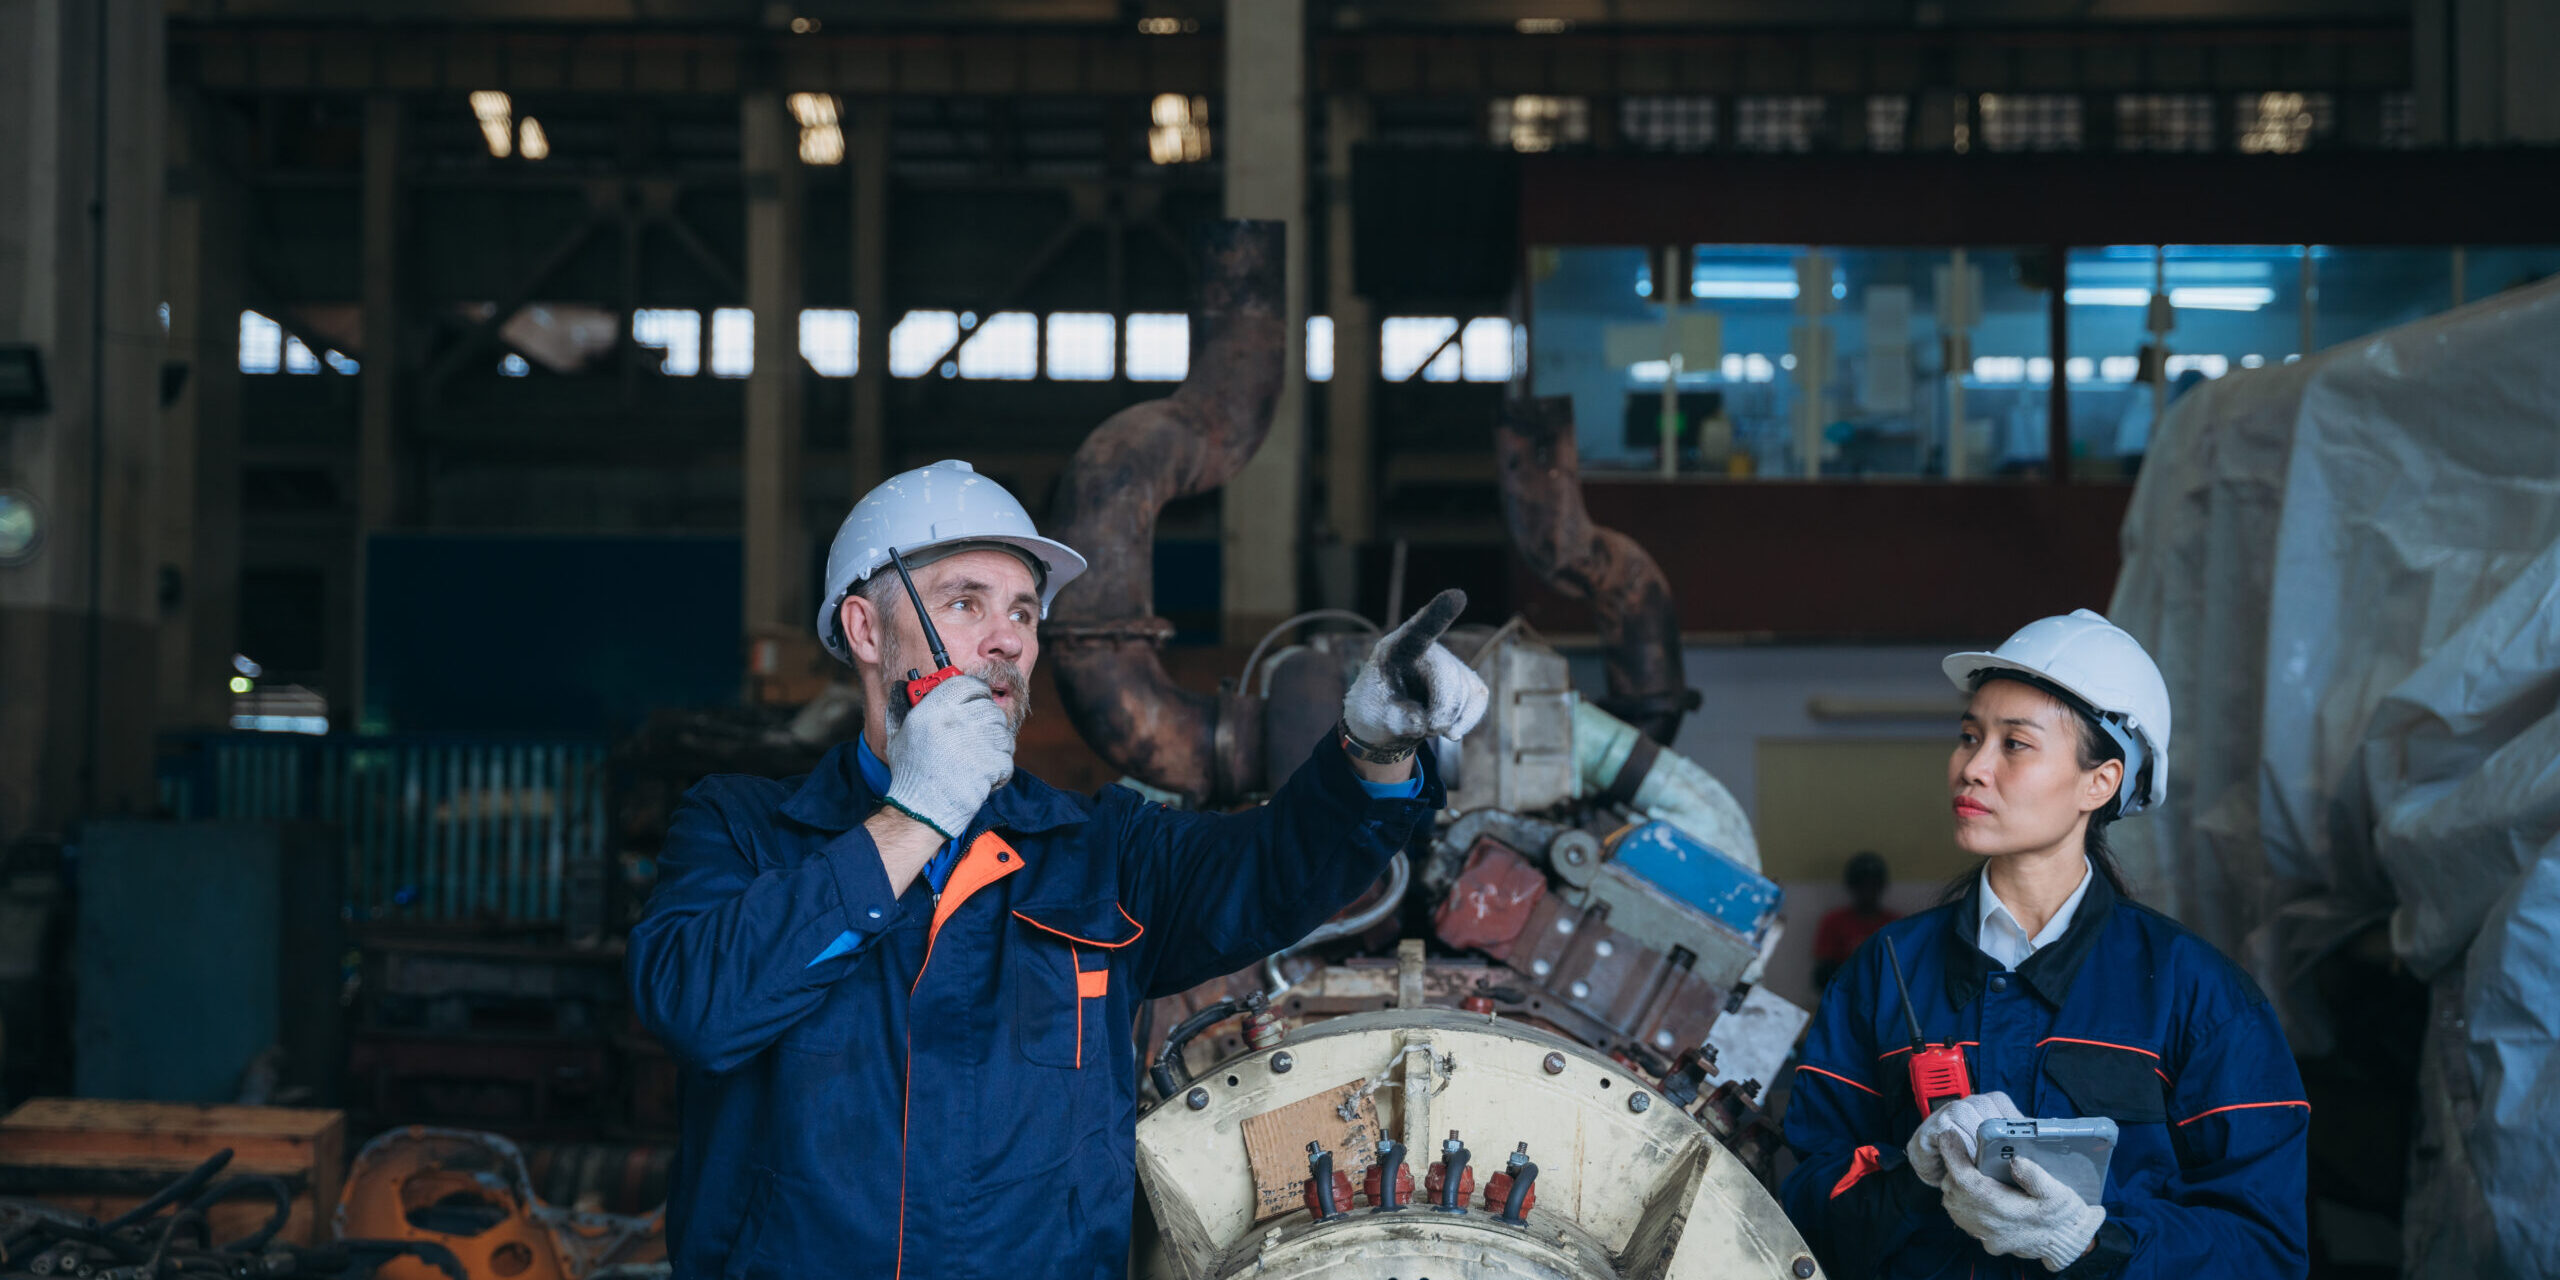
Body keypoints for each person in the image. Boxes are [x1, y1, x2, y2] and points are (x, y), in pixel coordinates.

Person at [627, 460, 1489, 1280]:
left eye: (1025, 613)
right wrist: (915, 818)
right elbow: (701, 1010)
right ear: (864, 630)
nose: (1005, 640)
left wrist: (1373, 748)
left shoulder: (1100, 852)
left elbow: (1273, 866)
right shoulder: (742, 830)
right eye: (964, 604)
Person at [1779, 610, 2308, 1279]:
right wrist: (1910, 1177)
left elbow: (2264, 1250)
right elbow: (1799, 1211)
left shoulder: (2198, 996)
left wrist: (2092, 1241)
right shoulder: (1885, 974)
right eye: (1969, 737)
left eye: (2015, 745)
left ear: (2101, 782)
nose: (1973, 768)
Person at [1812, 851, 1899, 990]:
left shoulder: (1895, 923)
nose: (1868, 891)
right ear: (1853, 887)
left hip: (1885, 994)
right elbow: (1823, 974)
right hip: (1846, 995)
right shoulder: (1834, 921)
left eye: (1873, 885)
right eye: (1863, 885)